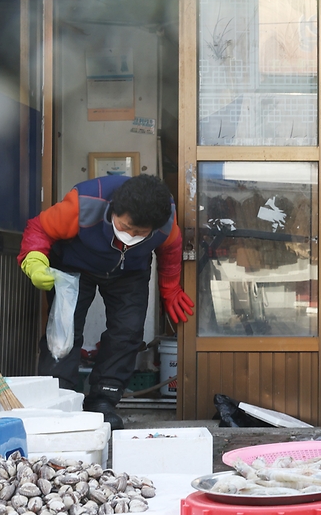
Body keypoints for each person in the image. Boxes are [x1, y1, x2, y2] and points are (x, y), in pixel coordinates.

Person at [17, 174, 194, 430]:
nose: (129, 236)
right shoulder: (84, 203)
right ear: (113, 210)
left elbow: (171, 248)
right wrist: (33, 260)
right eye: (124, 227)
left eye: (139, 233)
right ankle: (58, 398)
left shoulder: (164, 221)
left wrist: (170, 288)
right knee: (64, 329)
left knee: (128, 331)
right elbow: (40, 228)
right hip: (74, 264)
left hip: (129, 272)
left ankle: (103, 400)